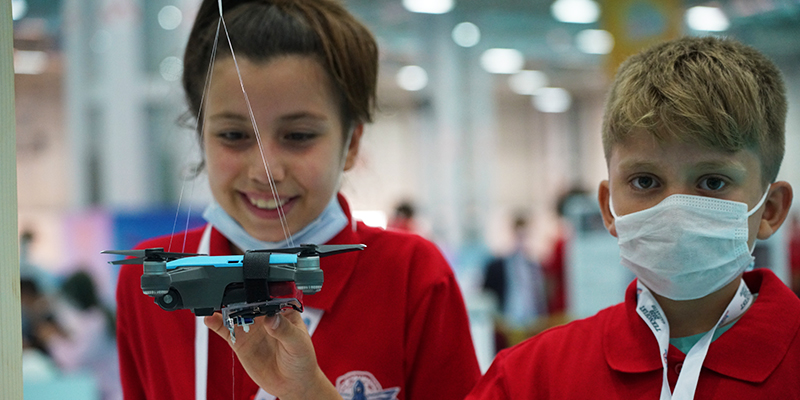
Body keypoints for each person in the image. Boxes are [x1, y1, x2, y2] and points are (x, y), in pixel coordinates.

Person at [115, 1, 480, 400]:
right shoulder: (150, 285)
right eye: (233, 136)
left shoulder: (412, 277)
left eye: (299, 136)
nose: (266, 172)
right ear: (201, 136)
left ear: (351, 143)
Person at [466, 36, 800, 399]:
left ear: (771, 209)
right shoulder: (529, 379)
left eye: (712, 182)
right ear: (608, 207)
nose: (675, 210)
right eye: (645, 181)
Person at [482, 214, 548, 349]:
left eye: (525, 234)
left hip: (533, 326)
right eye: (519, 234)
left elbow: (540, 298)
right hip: (506, 325)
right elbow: (487, 297)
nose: (522, 239)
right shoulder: (496, 266)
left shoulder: (535, 267)